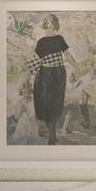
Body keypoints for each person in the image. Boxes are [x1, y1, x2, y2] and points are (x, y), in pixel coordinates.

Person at [27, 13, 81, 144]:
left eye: (52, 22)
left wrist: (76, 67)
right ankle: (52, 135)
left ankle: (52, 134)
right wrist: (27, 77)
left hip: (58, 74)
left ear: (55, 24)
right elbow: (36, 61)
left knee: (56, 102)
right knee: (47, 102)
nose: (49, 24)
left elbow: (67, 55)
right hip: (45, 74)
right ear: (45, 24)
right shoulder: (41, 42)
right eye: (47, 22)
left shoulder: (59, 39)